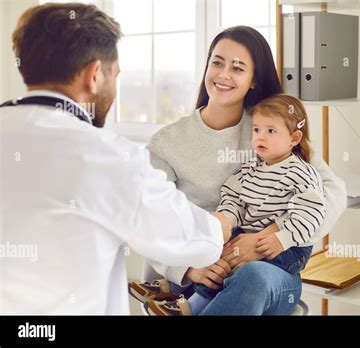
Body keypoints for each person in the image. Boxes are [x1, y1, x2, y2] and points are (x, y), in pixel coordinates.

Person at [0, 3, 231, 315]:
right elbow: (195, 240)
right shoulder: (107, 158)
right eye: (115, 75)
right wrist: (224, 222)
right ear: (94, 74)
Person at [136, 26, 347, 315]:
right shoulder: (167, 143)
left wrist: (269, 238)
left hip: (266, 272)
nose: (223, 75)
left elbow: (333, 193)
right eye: (217, 62)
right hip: (199, 275)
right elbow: (146, 219)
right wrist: (188, 268)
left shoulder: (269, 128)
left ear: (253, 80)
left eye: (237, 68)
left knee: (253, 278)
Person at [143, 94, 327, 316]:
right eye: (257, 130)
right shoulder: (251, 167)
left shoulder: (301, 173)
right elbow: (234, 197)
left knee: (246, 272)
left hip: (288, 249)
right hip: (247, 238)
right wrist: (226, 218)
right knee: (219, 256)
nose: (261, 137)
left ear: (295, 138)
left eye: (271, 131)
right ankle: (178, 295)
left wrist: (281, 238)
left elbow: (312, 214)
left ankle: (187, 306)